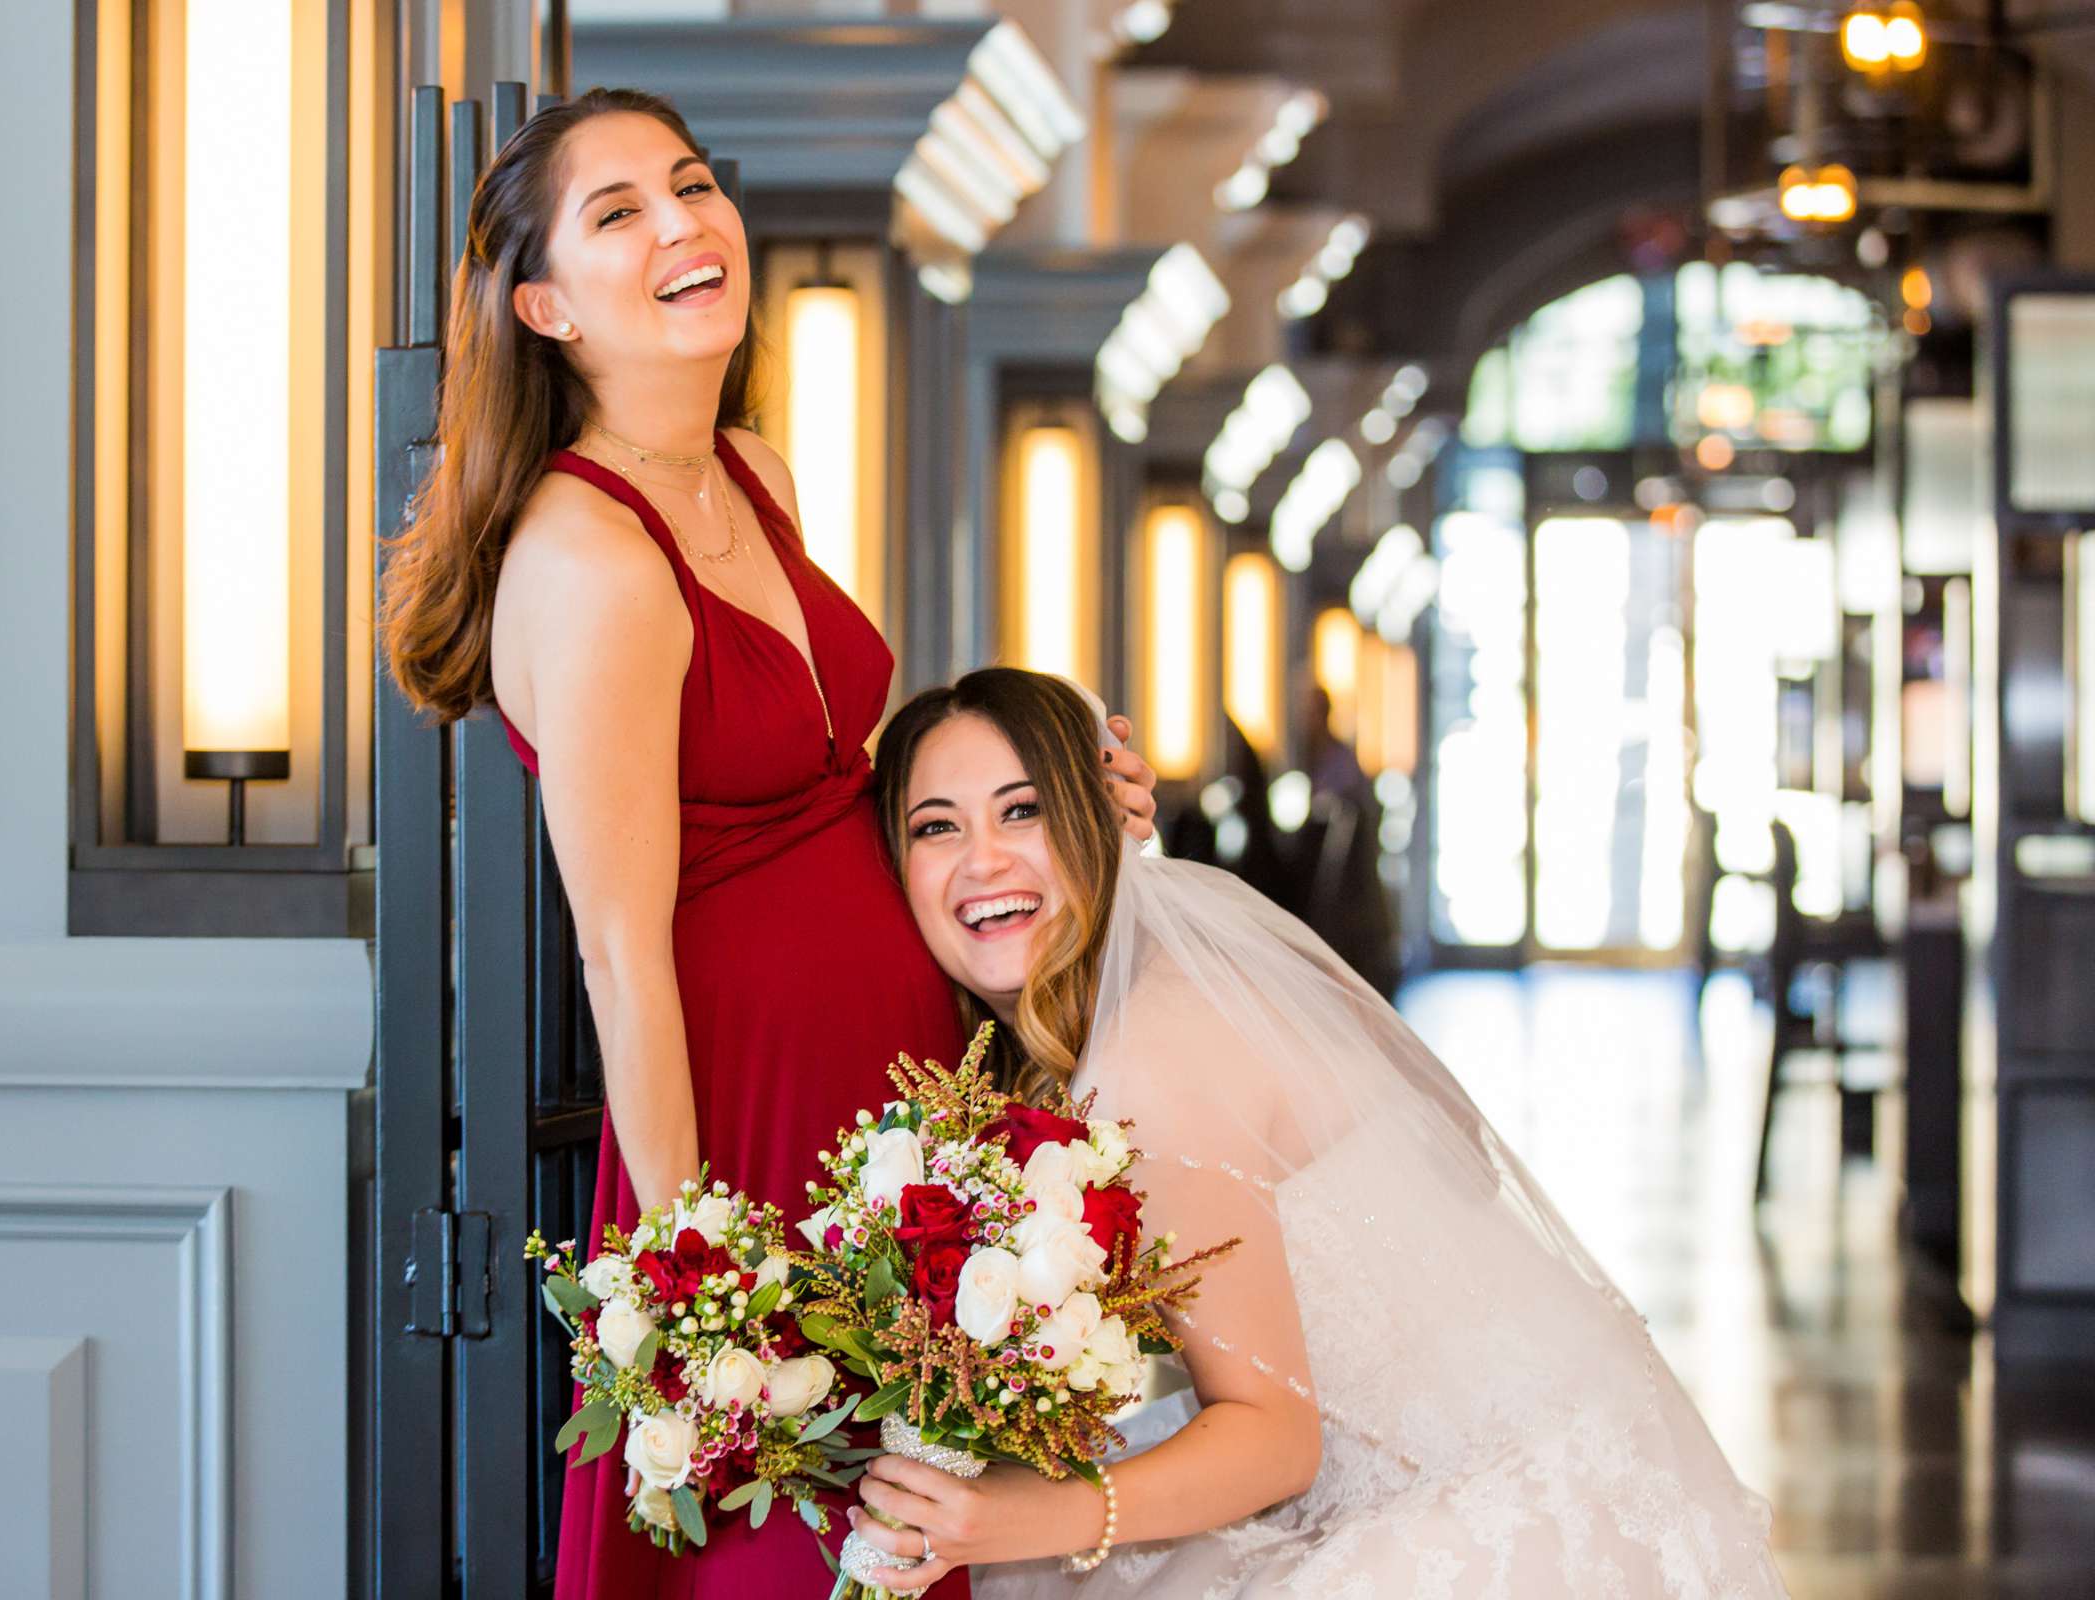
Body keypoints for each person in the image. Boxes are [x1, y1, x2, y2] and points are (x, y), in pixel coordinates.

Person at [376, 92, 1157, 1598]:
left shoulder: (759, 473)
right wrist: (699, 1298)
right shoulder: (590, 559)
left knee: (923, 1525)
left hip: (892, 1103)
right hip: (747, 1118)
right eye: (620, 215)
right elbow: (621, 948)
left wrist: (1052, 800)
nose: (683, 225)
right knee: (790, 1558)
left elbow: (844, 780)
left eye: (690, 188)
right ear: (544, 306)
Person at [854, 668, 1788, 1599]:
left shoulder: (1153, 1052)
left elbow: (1274, 1440)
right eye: (938, 826)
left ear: (1098, 826)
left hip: (1484, 1506)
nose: (983, 861)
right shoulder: (1100, 1017)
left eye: (1023, 812)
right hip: (1387, 1460)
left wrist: (1013, 1519)